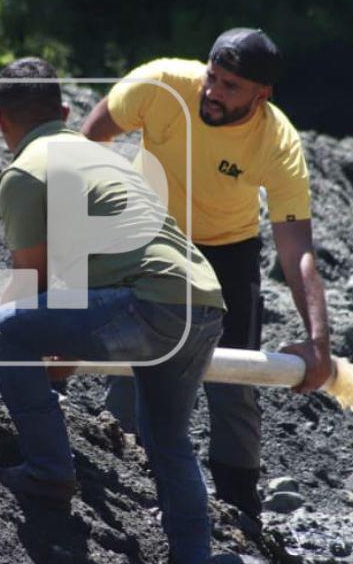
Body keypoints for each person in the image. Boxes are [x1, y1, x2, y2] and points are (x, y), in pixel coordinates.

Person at [0, 56, 226, 564]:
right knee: (167, 438)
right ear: (64, 112)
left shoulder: (26, 172)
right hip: (204, 300)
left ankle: (47, 474)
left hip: (149, 301)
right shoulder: (105, 159)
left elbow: (29, 285)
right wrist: (58, 353)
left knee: (5, 327)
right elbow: (79, 283)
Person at [80, 29, 333, 521]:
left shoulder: (277, 142)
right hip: (149, 237)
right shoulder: (161, 84)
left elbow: (296, 247)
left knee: (235, 379)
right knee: (131, 366)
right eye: (212, 78)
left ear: (262, 96)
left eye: (231, 87)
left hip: (227, 252)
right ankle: (121, 486)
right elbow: (89, 138)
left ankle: (240, 507)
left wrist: (318, 341)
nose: (213, 92)